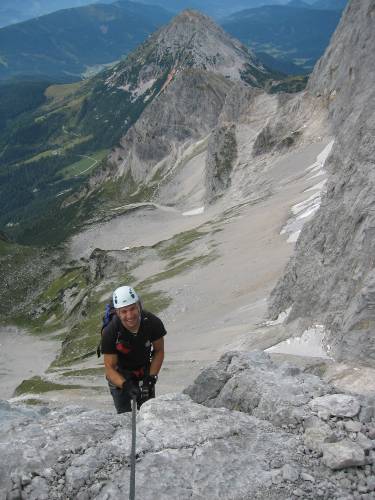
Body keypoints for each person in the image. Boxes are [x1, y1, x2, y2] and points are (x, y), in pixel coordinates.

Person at [101, 285, 166, 413]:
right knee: (124, 413)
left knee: (148, 413)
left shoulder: (152, 322)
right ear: (118, 313)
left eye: (132, 309)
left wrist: (151, 378)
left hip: (144, 372)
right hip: (119, 375)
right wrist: (126, 386)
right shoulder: (111, 331)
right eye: (124, 311)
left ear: (139, 307)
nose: (130, 315)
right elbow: (110, 368)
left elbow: (159, 351)